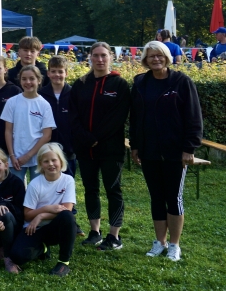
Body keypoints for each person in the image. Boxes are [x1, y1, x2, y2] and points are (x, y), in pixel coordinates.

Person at [130, 41, 203, 262]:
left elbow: (193, 116)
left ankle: (174, 245)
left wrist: (189, 148)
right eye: (151, 56)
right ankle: (159, 242)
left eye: (159, 55)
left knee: (174, 197)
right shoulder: (140, 83)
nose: (156, 59)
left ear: (167, 57)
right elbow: (135, 117)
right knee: (156, 197)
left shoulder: (181, 81)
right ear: (145, 59)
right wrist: (135, 145)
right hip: (149, 150)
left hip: (175, 152)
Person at [69, 41, 130, 250]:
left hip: (110, 148)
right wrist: (85, 137)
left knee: (113, 190)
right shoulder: (81, 84)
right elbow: (73, 114)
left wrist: (95, 137)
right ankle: (95, 231)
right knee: (90, 189)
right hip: (86, 148)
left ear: (111, 57)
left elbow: (118, 117)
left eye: (104, 55)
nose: (100, 59)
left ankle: (115, 236)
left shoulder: (119, 85)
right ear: (90, 58)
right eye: (95, 55)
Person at [10, 143, 77, 277]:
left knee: (68, 217)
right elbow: (27, 215)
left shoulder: (68, 180)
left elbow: (67, 210)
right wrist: (47, 208)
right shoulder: (35, 184)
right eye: (46, 161)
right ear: (41, 163)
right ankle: (43, 248)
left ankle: (64, 262)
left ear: (61, 161)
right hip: (34, 228)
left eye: (54, 160)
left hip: (55, 226)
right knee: (17, 256)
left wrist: (41, 215)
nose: (51, 164)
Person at [38, 55, 82, 235]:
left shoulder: (73, 94)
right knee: (46, 186)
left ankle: (70, 219)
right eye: (53, 72)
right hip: (45, 148)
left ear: (66, 73)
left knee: (67, 185)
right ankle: (46, 219)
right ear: (48, 73)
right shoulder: (41, 94)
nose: (57, 75)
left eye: (60, 72)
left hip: (68, 150)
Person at [3, 66, 55, 183]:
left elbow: (47, 135)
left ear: (39, 80)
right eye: (24, 79)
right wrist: (11, 155)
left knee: (37, 194)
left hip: (38, 158)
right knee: (16, 194)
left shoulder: (44, 105)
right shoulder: (12, 102)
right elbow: (8, 131)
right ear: (20, 80)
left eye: (32, 79)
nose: (28, 82)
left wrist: (28, 156)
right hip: (16, 158)